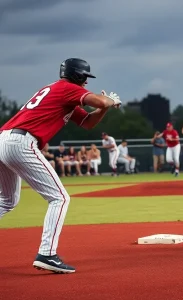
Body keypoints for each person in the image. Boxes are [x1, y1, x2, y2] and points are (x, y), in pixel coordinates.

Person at [0, 58, 121, 273]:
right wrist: (109, 100)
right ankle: (47, 254)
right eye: (84, 77)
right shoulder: (67, 88)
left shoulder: (58, 92)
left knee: (8, 200)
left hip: (4, 140)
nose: (85, 82)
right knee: (60, 197)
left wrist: (105, 107)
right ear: (76, 76)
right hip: (20, 142)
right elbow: (100, 102)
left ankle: (47, 254)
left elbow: (88, 123)